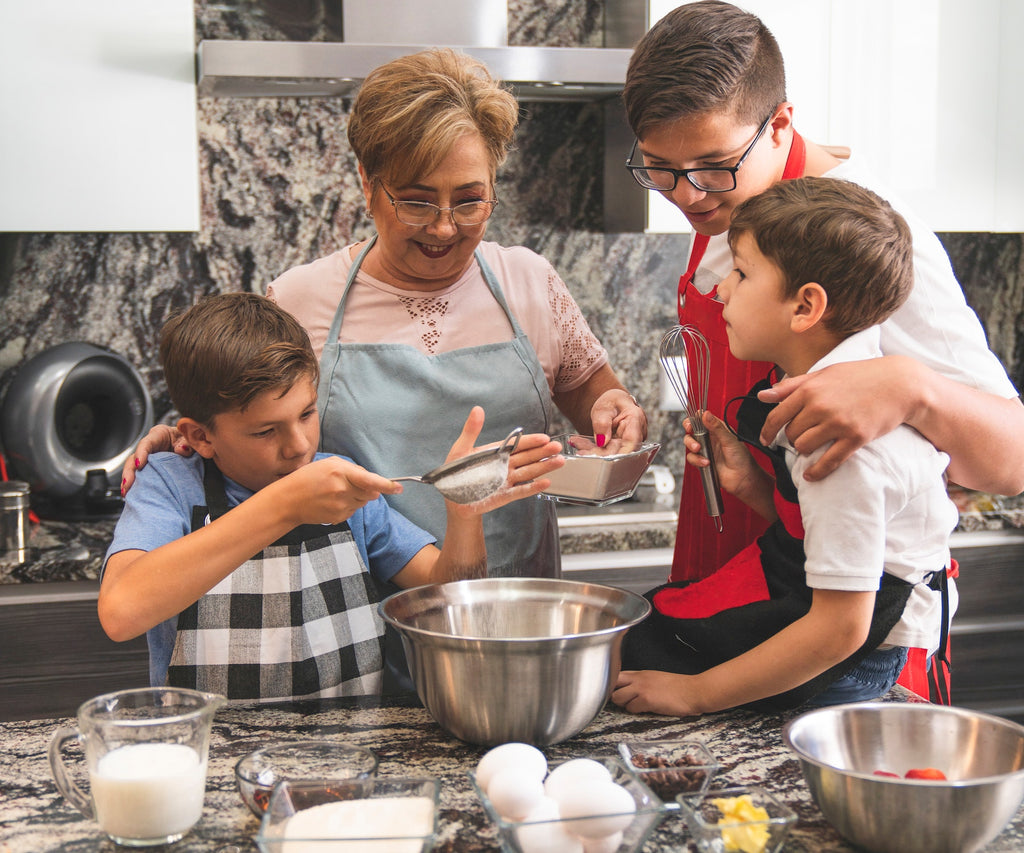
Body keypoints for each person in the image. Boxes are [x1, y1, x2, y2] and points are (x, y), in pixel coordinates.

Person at [124, 47, 647, 583]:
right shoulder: (301, 299)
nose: (444, 228)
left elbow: (597, 403)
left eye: (469, 201)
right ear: (368, 185)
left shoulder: (529, 282)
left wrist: (616, 411)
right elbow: (248, 427)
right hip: (348, 629)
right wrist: (186, 447)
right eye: (417, 202)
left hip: (512, 610)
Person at [621, 1, 1021, 698]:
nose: (686, 194)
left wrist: (910, 386)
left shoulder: (862, 235)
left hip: (849, 640)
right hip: (752, 585)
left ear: (780, 125)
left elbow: (1013, 458)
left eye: (712, 167)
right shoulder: (734, 202)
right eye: (660, 168)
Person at [98, 293, 563, 702]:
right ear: (200, 437)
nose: (299, 444)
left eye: (306, 413)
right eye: (265, 431)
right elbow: (121, 612)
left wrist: (463, 515)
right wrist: (286, 505)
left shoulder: (345, 486)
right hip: (215, 759)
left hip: (350, 755)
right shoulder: (170, 486)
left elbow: (448, 598)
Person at [612, 177, 959, 716]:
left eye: (742, 272)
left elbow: (839, 631)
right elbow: (831, 536)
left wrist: (694, 694)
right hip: (824, 630)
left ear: (805, 308)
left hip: (839, 665)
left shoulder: (843, 445)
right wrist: (752, 486)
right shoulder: (828, 390)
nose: (722, 289)